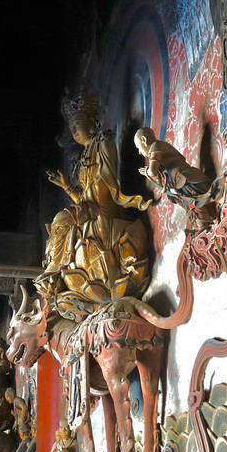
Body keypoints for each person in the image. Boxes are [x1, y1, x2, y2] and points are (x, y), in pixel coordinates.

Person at [35, 94, 151, 320]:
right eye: (72, 128)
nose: (75, 131)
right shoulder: (83, 158)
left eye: (78, 124)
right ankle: (56, 267)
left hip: (104, 205)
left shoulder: (103, 143)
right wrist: (67, 186)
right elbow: (83, 198)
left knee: (63, 218)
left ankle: (54, 268)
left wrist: (88, 202)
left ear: (91, 123)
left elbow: (106, 184)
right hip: (90, 206)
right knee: (61, 224)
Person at [134, 127, 223, 226]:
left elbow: (152, 172)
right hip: (179, 185)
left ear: (144, 140)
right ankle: (209, 219)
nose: (139, 152)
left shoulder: (156, 146)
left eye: (138, 148)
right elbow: (160, 178)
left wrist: (147, 172)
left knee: (208, 192)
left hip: (187, 179)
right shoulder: (156, 149)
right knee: (197, 204)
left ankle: (221, 201)